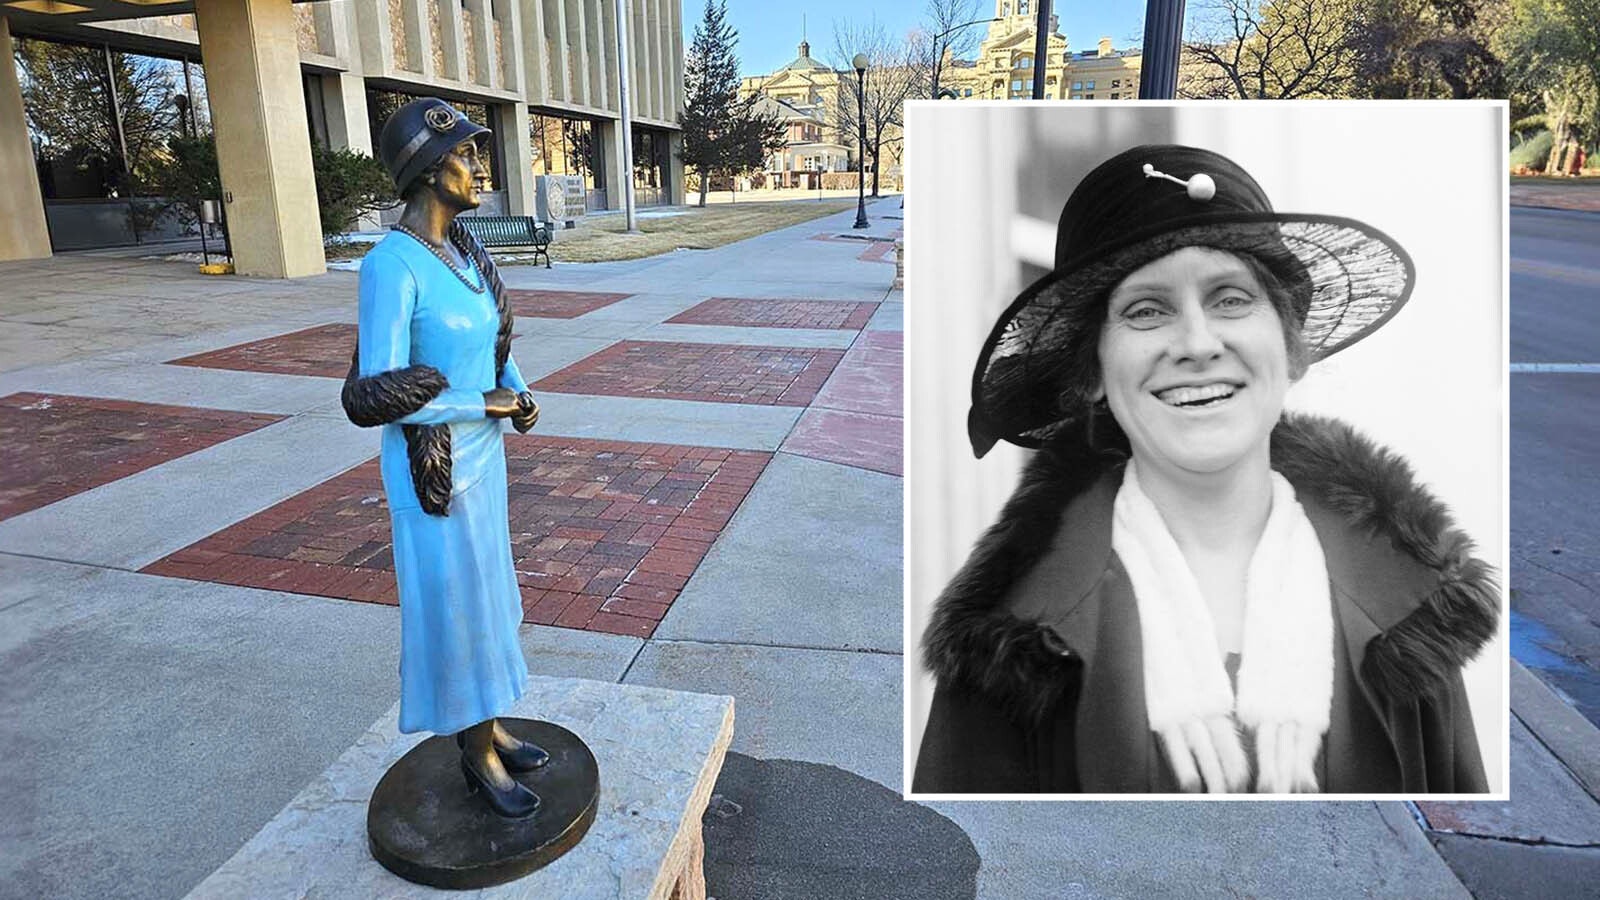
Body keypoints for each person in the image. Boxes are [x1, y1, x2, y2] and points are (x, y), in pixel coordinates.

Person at [914, 145, 1498, 794]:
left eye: (1230, 299)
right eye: (1146, 310)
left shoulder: (1409, 607)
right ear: (1095, 371)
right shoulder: (1009, 650)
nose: (1196, 343)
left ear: (1290, 347)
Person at [341, 98, 545, 818]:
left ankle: (492, 723)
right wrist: (478, 404)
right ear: (429, 172)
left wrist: (517, 392)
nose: (476, 167)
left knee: (490, 599)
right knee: (452, 610)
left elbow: (494, 345)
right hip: (435, 473)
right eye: (463, 155)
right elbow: (379, 394)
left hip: (485, 462)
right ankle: (475, 753)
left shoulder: (464, 252)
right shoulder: (390, 268)